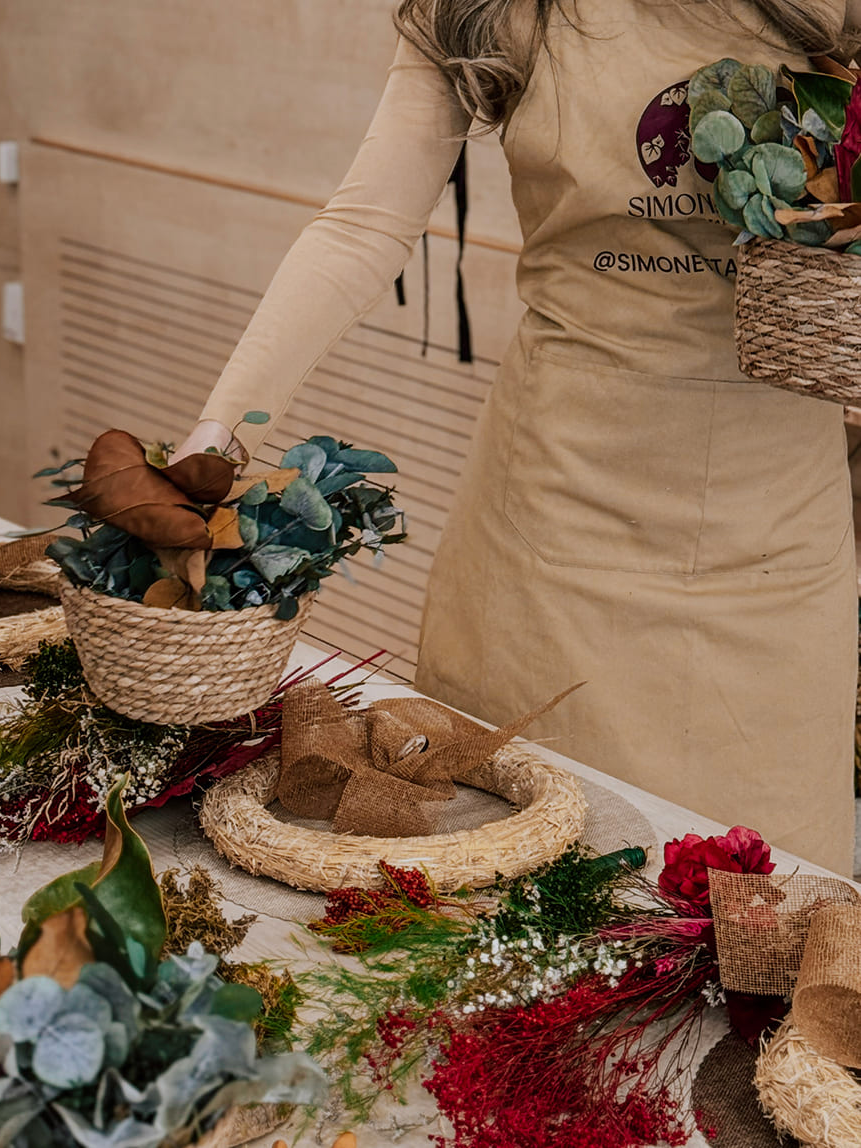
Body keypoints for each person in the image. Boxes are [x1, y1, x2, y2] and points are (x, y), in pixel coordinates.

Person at [174, 0, 861, 874]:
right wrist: (218, 435)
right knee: (518, 887)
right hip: (550, 531)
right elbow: (363, 226)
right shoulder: (498, 11)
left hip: (776, 548)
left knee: (763, 922)